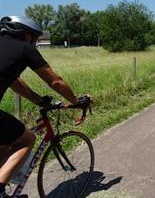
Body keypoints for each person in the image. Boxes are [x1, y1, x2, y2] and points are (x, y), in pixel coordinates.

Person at [0, 16, 89, 198]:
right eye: (35, 39)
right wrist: (75, 102)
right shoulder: (25, 48)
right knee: (27, 139)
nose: (35, 43)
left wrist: (39, 100)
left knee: (4, 143)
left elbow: (14, 82)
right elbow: (55, 81)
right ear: (27, 35)